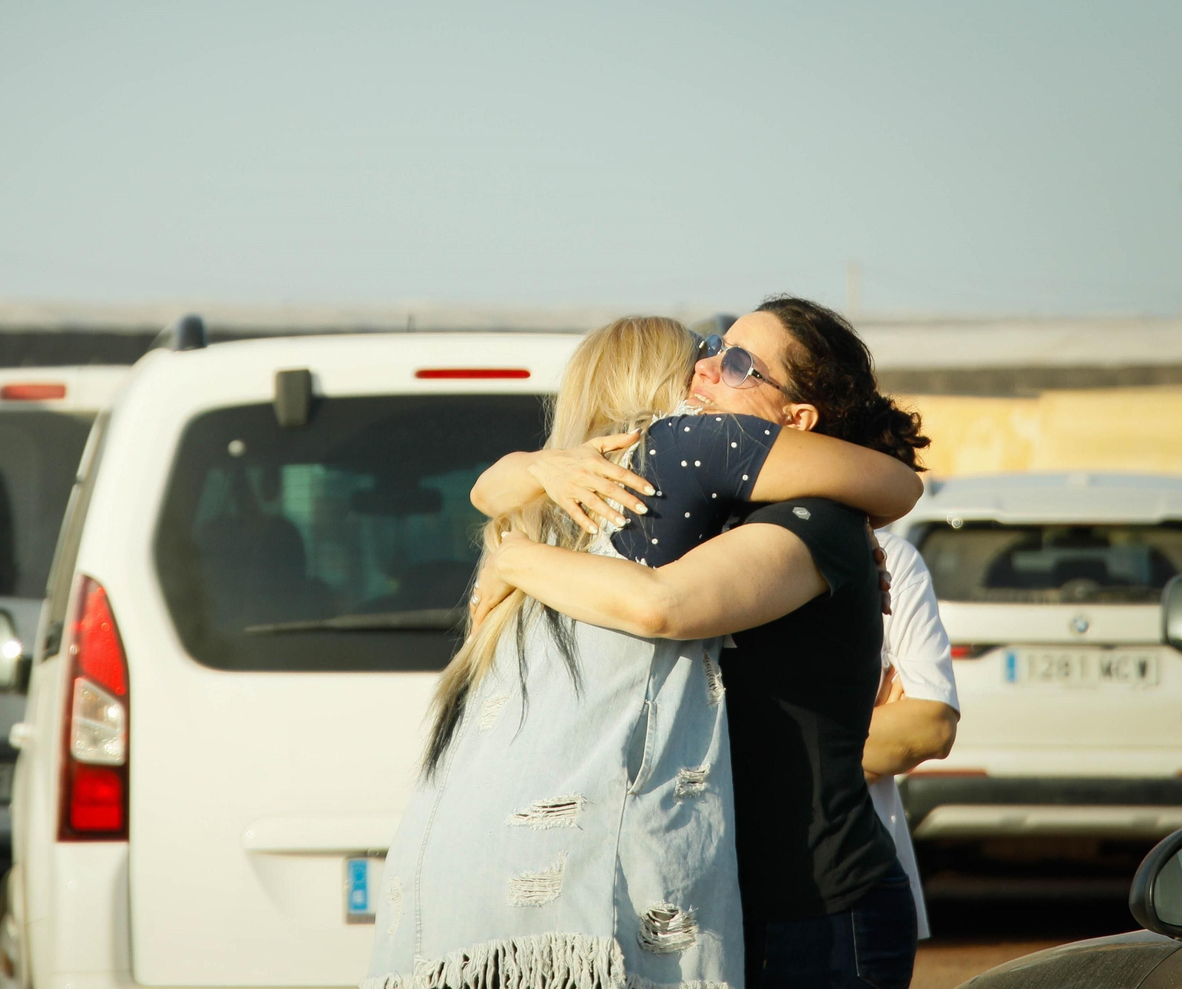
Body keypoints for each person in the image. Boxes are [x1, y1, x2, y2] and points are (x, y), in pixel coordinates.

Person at [365, 313, 923, 989]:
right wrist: (536, 480)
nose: (706, 368)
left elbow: (665, 605)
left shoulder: (813, 519)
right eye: (712, 350)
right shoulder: (694, 506)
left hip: (815, 907)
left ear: (797, 419)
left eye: (738, 364)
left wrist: (514, 555)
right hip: (735, 895)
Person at [866, 528, 961, 941]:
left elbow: (930, 726)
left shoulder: (885, 556)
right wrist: (871, 726)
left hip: (859, 892)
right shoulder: (690, 549)